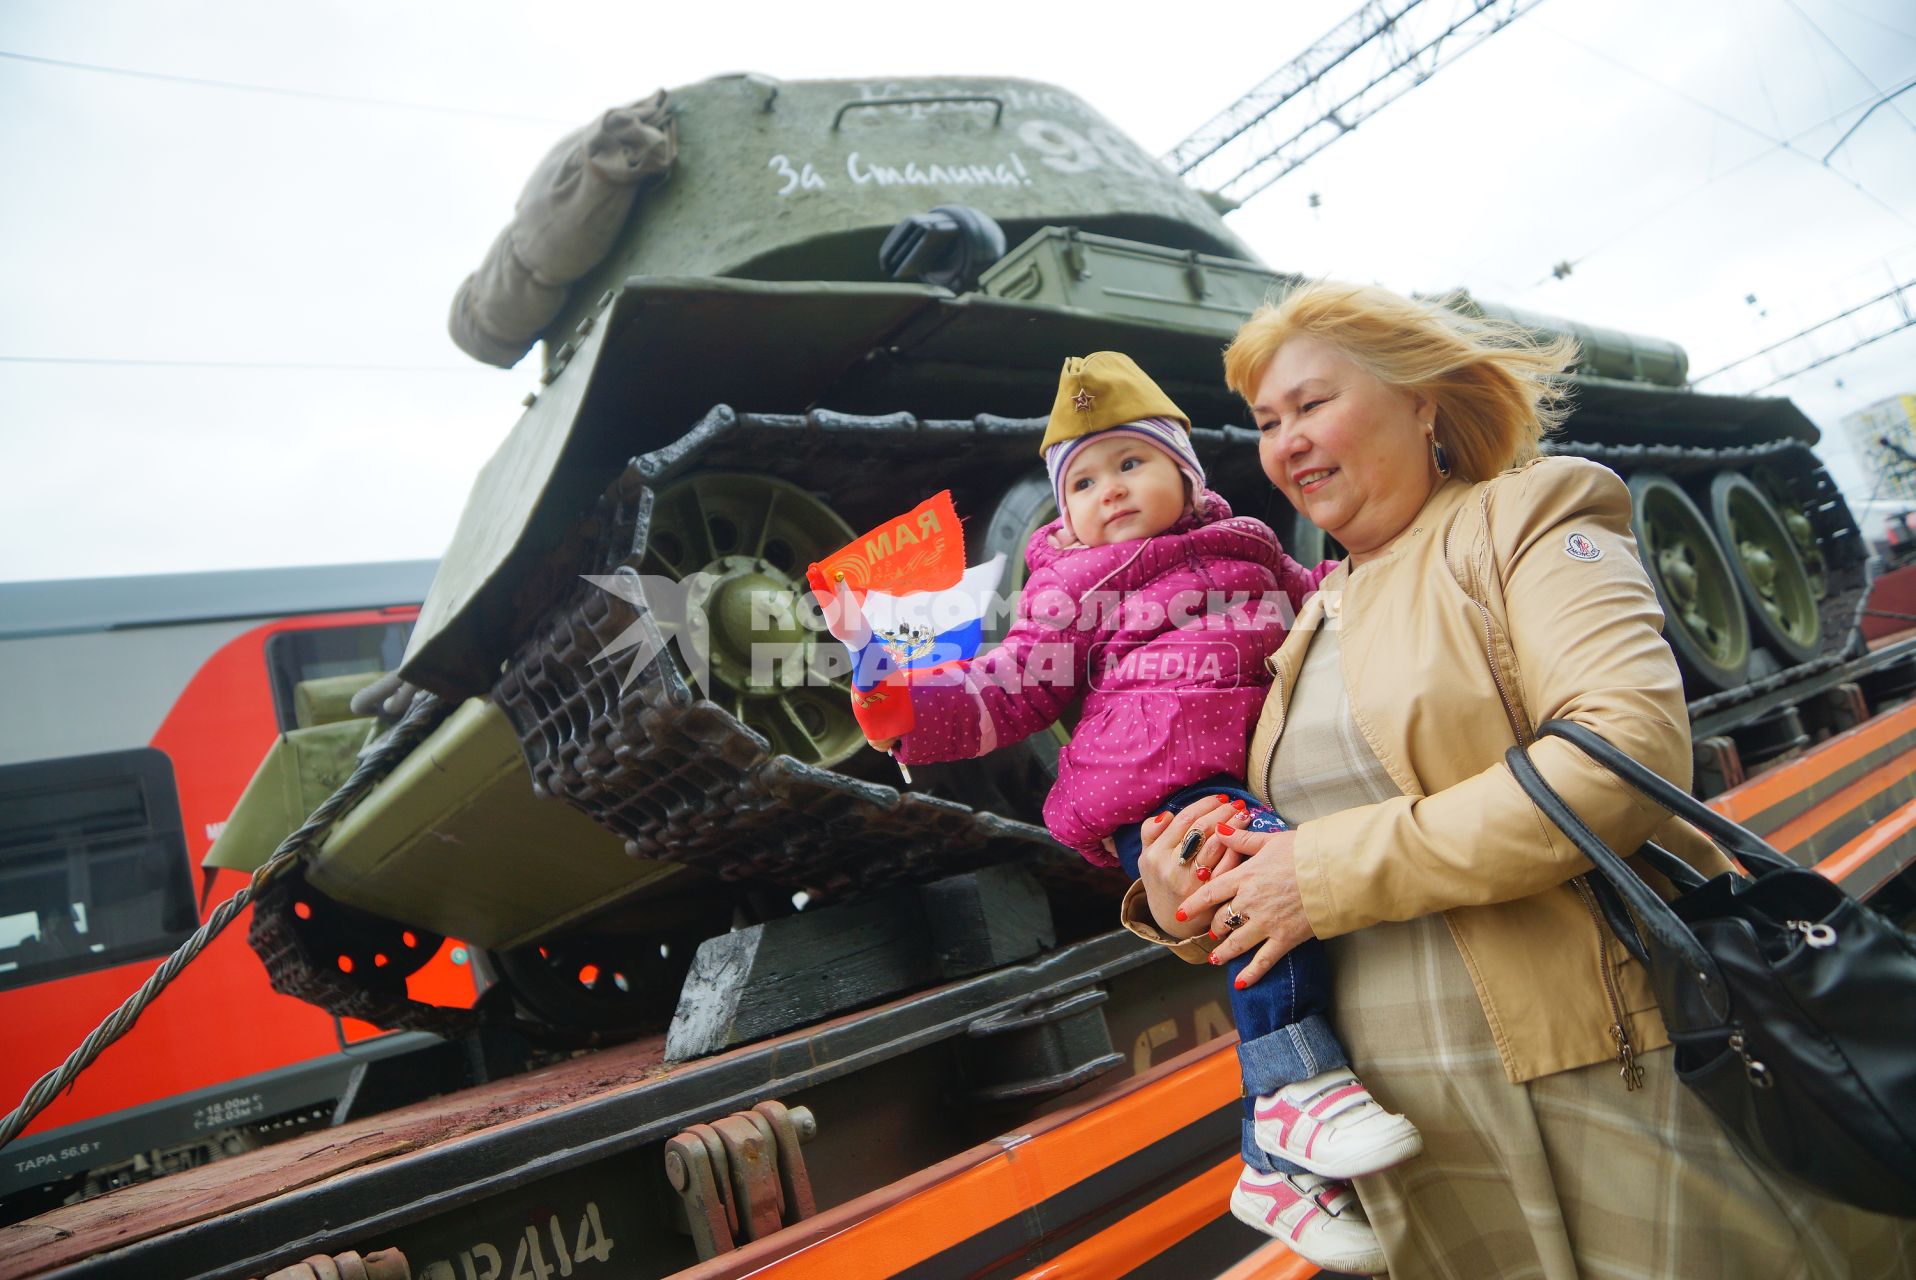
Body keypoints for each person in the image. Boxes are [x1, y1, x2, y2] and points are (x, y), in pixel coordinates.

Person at [1128, 281, 1916, 1277]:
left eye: (1312, 403)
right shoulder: (1308, 616)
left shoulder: (1524, 519)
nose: (1285, 442)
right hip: (1418, 1128)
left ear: (1421, 399)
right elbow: (1286, 851)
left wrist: (1316, 873)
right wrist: (1188, 890)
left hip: (1601, 1071)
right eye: (1266, 421)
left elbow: (1616, 755)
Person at [864, 352, 1417, 1274]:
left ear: (1183, 472)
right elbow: (1011, 685)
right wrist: (913, 711)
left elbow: (1319, 607)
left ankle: (1277, 1172)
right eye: (1081, 481)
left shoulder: (1249, 549)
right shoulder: (1071, 586)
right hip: (1152, 783)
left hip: (1240, 775)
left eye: (1130, 463)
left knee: (1270, 877)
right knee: (1267, 876)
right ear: (1062, 509)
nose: (1109, 492)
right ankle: (1294, 1092)